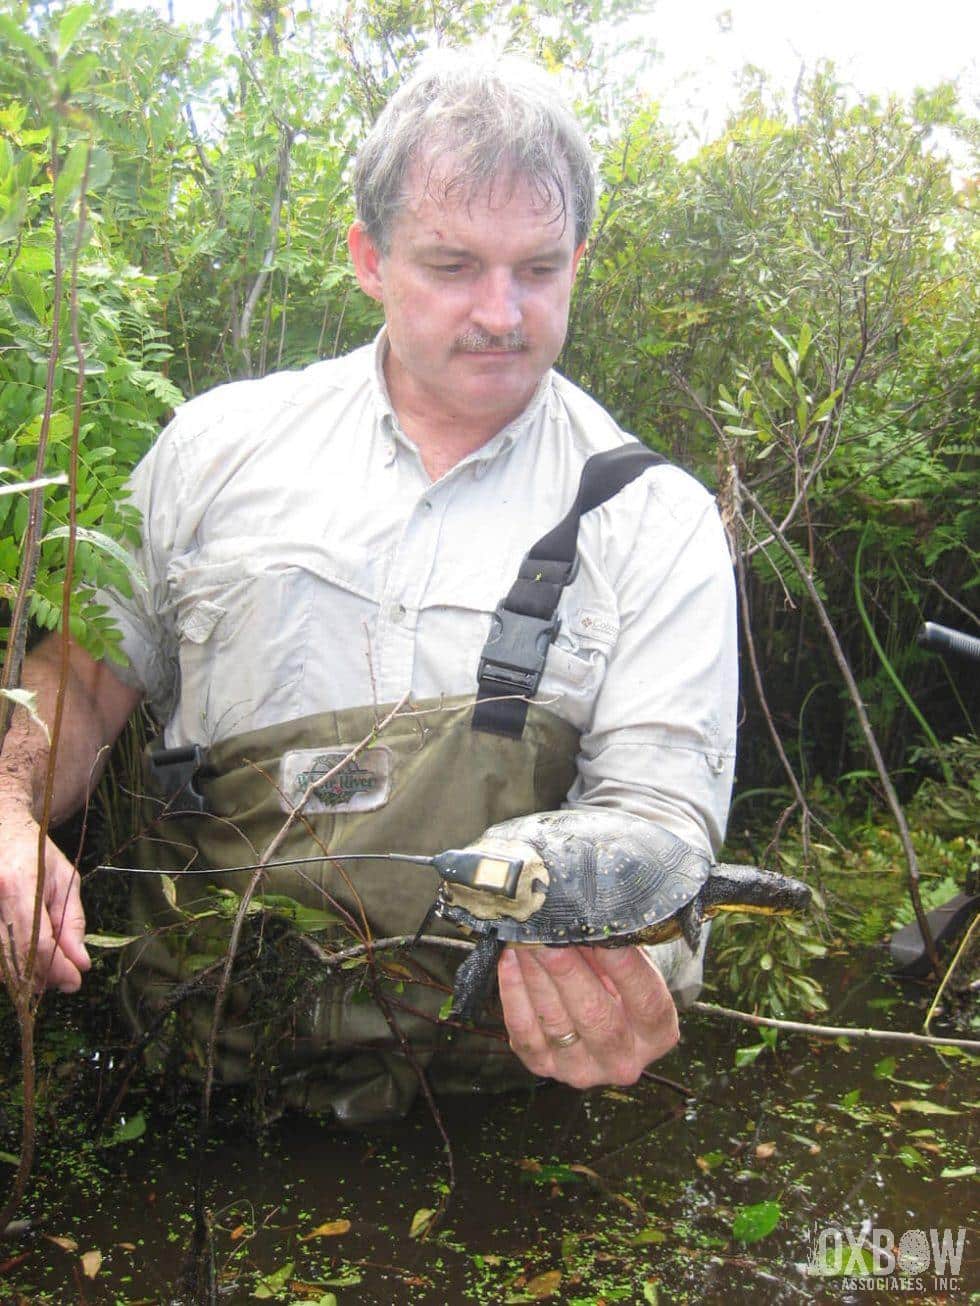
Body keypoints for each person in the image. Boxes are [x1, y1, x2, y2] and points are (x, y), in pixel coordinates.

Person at [0, 53, 737, 1123]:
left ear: (580, 257)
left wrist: (629, 935)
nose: (501, 312)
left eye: (537, 268)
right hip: (199, 1083)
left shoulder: (653, 516)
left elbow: (659, 815)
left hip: (506, 1100)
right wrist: (9, 807)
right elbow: (77, 681)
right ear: (366, 257)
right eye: (451, 265)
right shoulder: (214, 449)